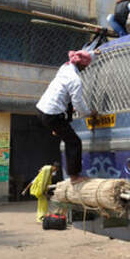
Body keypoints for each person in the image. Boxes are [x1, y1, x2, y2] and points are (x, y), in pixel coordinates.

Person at [36, 50, 97, 184]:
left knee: (68, 107)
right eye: (86, 66)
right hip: (52, 115)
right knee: (74, 142)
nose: (86, 68)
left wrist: (94, 53)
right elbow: (78, 103)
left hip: (42, 109)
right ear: (82, 65)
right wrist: (89, 113)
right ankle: (74, 176)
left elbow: (83, 55)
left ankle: (57, 128)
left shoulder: (65, 67)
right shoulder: (75, 80)